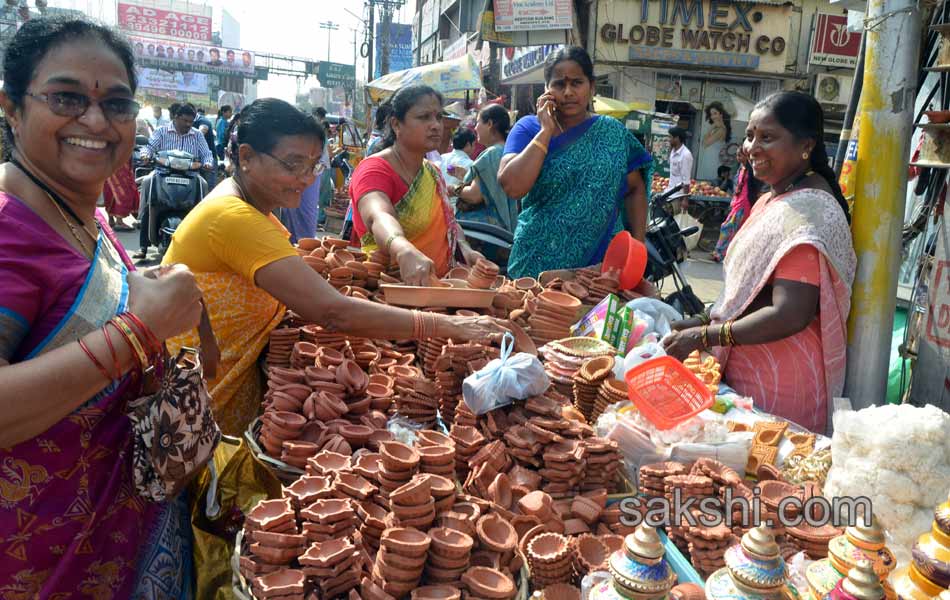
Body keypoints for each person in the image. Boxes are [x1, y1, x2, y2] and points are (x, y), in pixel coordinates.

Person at [0, 16, 203, 596]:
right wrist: (141, 332)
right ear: (12, 108)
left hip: (120, 534)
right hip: (41, 562)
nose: (95, 121)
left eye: (116, 103)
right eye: (66, 97)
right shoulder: (8, 228)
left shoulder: (79, 216)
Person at [163, 98, 509, 435]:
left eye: (312, 165)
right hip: (194, 393)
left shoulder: (249, 204)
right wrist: (451, 327)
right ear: (246, 157)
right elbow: (332, 311)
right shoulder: (232, 216)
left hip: (210, 379)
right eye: (292, 164)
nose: (306, 178)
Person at [662, 91, 856, 434]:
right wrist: (703, 319)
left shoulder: (809, 211)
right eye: (750, 135)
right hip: (751, 365)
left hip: (782, 379)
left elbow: (790, 312)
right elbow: (756, 290)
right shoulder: (776, 196)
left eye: (767, 137)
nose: (752, 147)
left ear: (805, 146)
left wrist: (705, 335)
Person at [497, 46, 652, 279]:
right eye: (559, 84)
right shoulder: (528, 129)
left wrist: (637, 249)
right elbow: (512, 186)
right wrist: (546, 131)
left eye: (576, 83)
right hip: (537, 261)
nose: (568, 92)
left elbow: (636, 188)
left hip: (599, 268)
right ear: (547, 89)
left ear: (592, 87)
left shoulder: (612, 133)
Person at [349, 85, 486, 286]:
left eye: (438, 117)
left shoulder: (432, 171)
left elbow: (449, 223)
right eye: (424, 117)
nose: (435, 125)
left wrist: (465, 249)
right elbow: (378, 215)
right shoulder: (374, 170)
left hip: (438, 289)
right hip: (389, 289)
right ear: (396, 124)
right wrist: (403, 249)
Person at [136, 101, 214, 260]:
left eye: (191, 122)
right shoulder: (162, 131)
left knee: (204, 185)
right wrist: (145, 155)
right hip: (162, 172)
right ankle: (143, 245)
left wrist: (207, 162)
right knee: (147, 183)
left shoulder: (197, 134)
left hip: (190, 175)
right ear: (176, 117)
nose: (188, 124)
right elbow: (149, 147)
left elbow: (207, 153)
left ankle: (201, 232)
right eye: (185, 121)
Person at [455, 104, 518, 233]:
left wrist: (453, 189)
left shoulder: (490, 154)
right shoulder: (510, 151)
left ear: (489, 124)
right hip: (509, 227)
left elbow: (475, 195)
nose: (475, 128)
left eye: (478, 122)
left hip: (491, 232)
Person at [711, 155, 763, 262]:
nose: (738, 158)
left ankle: (721, 253)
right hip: (737, 201)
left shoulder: (752, 170)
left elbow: (756, 187)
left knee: (731, 227)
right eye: (737, 155)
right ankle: (722, 252)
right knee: (730, 227)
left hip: (745, 202)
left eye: (740, 155)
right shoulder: (741, 168)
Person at [440, 128, 475, 209]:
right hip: (457, 210)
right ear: (468, 145)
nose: (474, 147)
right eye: (474, 144)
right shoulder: (470, 164)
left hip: (438, 207)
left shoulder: (442, 158)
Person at [699, 101, 732, 181]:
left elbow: (705, 143)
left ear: (721, 114)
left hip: (714, 163)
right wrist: (713, 127)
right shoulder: (716, 129)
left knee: (712, 184)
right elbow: (703, 142)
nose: (713, 116)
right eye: (711, 114)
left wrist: (711, 127)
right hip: (709, 161)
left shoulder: (721, 130)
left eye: (715, 113)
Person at [195, 106, 218, 187]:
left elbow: (202, 132)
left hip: (209, 159)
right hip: (195, 160)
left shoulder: (203, 121)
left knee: (210, 188)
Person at [666, 126, 693, 193]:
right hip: (670, 191)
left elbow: (686, 180)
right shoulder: (673, 151)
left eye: (670, 137)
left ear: (677, 138)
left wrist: (685, 199)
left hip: (678, 195)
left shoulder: (686, 155)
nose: (668, 139)